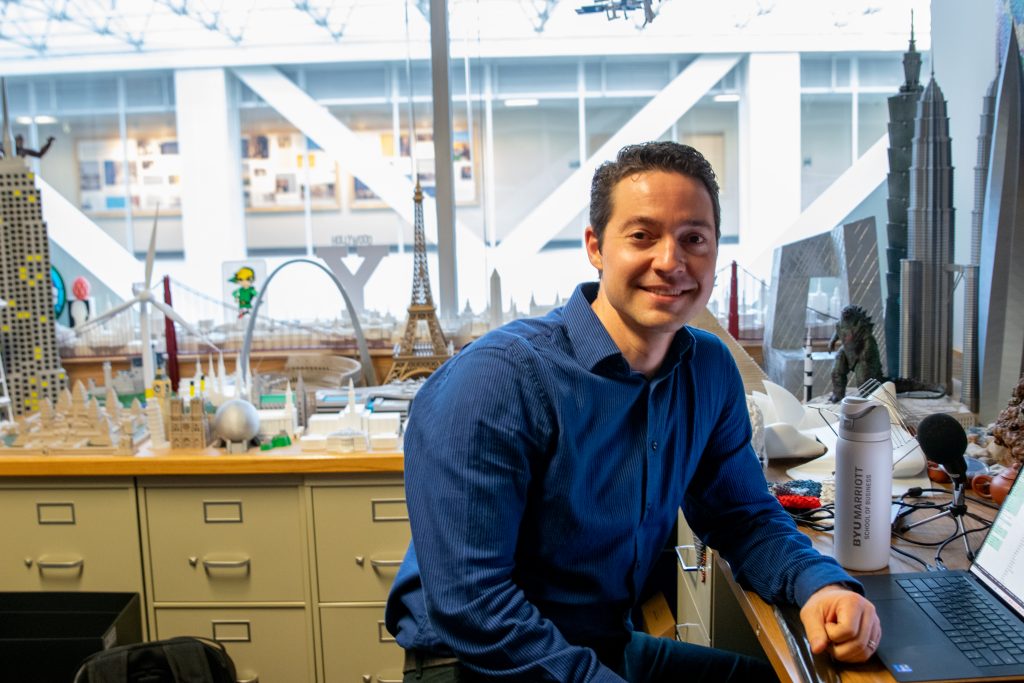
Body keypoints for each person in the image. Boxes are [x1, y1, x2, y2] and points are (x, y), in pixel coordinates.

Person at [385, 141, 880, 682]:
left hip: (600, 646)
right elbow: (475, 608)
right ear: (596, 247)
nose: (670, 262)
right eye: (642, 236)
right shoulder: (494, 382)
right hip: (477, 661)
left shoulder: (707, 369)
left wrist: (820, 585)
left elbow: (744, 518)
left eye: (694, 239)